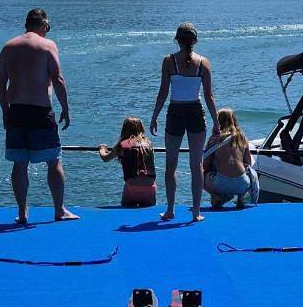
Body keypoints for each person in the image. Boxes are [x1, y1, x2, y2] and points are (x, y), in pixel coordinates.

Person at [0, 8, 78, 224]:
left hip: (16, 111)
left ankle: (22, 212)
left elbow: (0, 83)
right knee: (54, 161)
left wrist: (5, 111)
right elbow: (58, 79)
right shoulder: (47, 45)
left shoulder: (8, 46)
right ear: (44, 25)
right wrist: (66, 108)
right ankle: (59, 209)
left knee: (19, 163)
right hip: (40, 111)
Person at [150, 22, 219, 223]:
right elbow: (209, 96)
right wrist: (216, 122)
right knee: (196, 165)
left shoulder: (169, 61)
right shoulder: (204, 63)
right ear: (195, 41)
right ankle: (196, 212)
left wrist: (154, 116)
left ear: (177, 40)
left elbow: (163, 92)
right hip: (196, 112)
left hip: (176, 112)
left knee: (171, 164)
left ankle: (170, 209)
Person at [203, 108, 259, 209]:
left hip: (221, 184)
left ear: (217, 121)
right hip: (242, 183)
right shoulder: (242, 137)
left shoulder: (214, 139)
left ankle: (216, 196)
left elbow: (205, 165)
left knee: (200, 174)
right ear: (234, 120)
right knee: (246, 172)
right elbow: (248, 163)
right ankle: (241, 197)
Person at [98, 117, 157, 208]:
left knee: (126, 209)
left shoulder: (122, 144)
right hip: (149, 186)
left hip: (132, 186)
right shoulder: (149, 143)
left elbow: (105, 158)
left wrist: (102, 149)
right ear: (141, 128)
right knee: (148, 211)